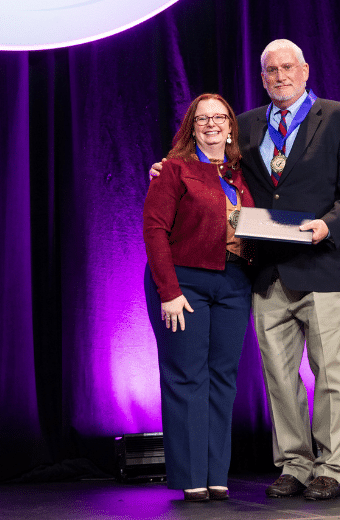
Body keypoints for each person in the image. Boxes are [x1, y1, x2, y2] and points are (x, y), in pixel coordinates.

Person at [151, 39, 340, 500]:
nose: (280, 76)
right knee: (279, 376)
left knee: (331, 375)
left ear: (306, 70)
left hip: (322, 265)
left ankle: (331, 466)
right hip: (268, 274)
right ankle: (294, 463)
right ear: (262, 76)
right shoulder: (246, 125)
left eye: (288, 67)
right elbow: (216, 170)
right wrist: (168, 168)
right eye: (271, 70)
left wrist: (327, 227)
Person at [143, 93, 255, 501]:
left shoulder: (245, 173)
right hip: (184, 284)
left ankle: (216, 475)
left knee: (223, 379)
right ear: (192, 126)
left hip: (234, 284)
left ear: (230, 126)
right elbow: (155, 230)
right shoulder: (173, 170)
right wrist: (168, 291)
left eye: (219, 117)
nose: (211, 124)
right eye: (202, 118)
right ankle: (191, 477)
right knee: (187, 376)